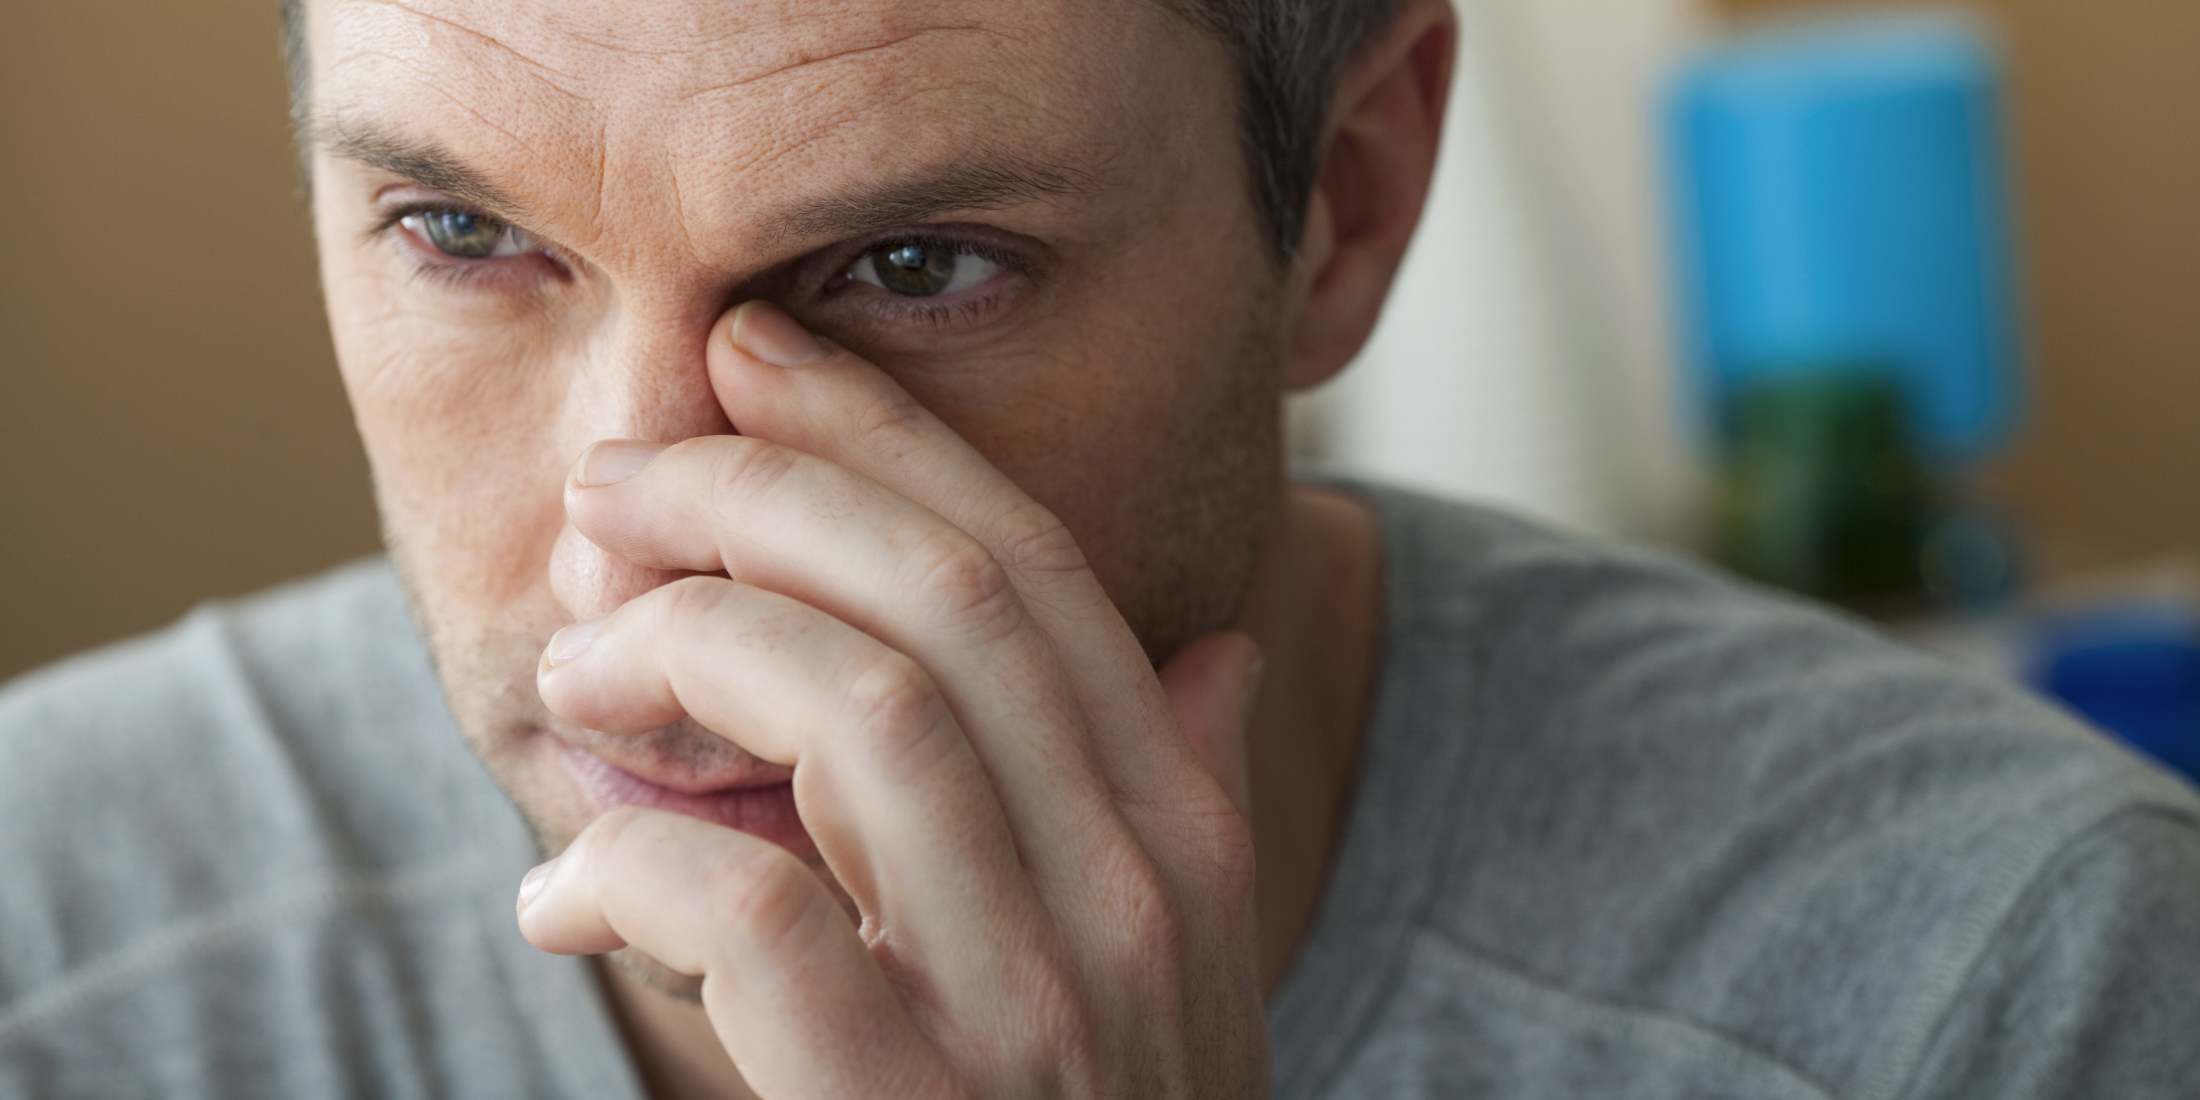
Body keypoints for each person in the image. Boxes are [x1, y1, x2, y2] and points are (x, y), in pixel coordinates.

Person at [3, 0, 2196, 1095]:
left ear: (1340, 205)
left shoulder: (1990, 996)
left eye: (915, 265)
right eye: (462, 232)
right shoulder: (54, 955)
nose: (636, 572)